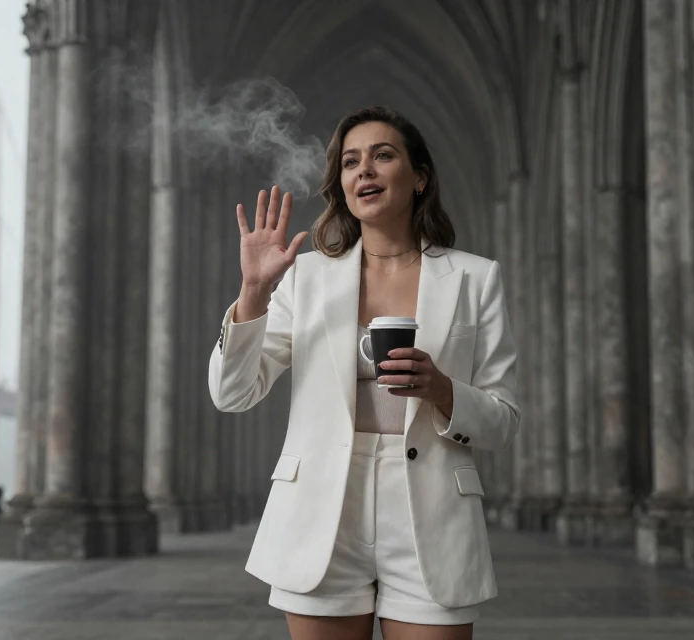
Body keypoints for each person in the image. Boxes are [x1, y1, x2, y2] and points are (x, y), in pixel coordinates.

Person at [210, 106, 520, 640]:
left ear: (419, 176)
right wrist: (254, 295)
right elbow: (232, 393)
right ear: (342, 185)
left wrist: (443, 390)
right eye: (351, 161)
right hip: (321, 516)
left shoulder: (474, 277)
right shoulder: (304, 278)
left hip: (434, 515)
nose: (364, 171)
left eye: (383, 155)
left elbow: (504, 421)